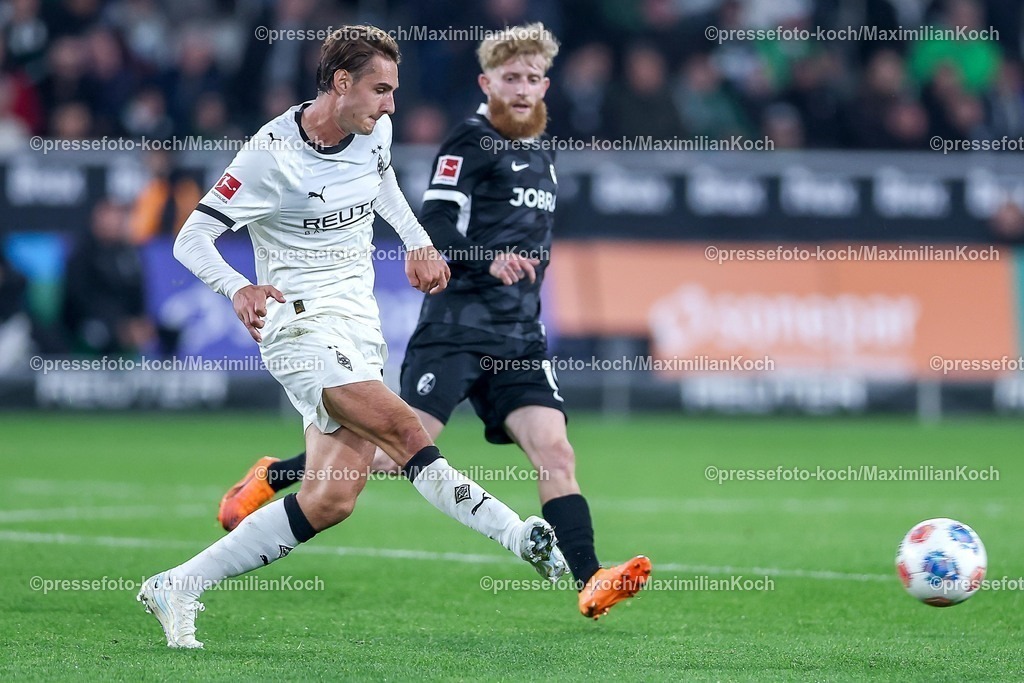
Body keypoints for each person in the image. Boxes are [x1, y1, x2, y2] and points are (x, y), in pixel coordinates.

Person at [136, 25, 566, 650]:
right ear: (341, 84)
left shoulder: (373, 130)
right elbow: (190, 238)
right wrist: (239, 289)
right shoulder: (270, 155)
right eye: (381, 90)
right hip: (299, 324)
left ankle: (176, 584)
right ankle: (519, 534)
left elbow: (384, 180)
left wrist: (418, 240)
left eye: (394, 91)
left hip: (357, 321)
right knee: (405, 431)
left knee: (332, 496)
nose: (392, 105)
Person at [218, 22, 651, 621]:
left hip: (519, 335)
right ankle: (281, 472)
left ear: (546, 85)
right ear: (487, 82)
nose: (523, 89)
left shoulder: (540, 151)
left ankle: (590, 576)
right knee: (391, 452)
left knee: (556, 451)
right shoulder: (469, 142)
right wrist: (484, 257)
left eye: (532, 79)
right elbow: (438, 226)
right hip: (454, 329)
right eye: (510, 78)